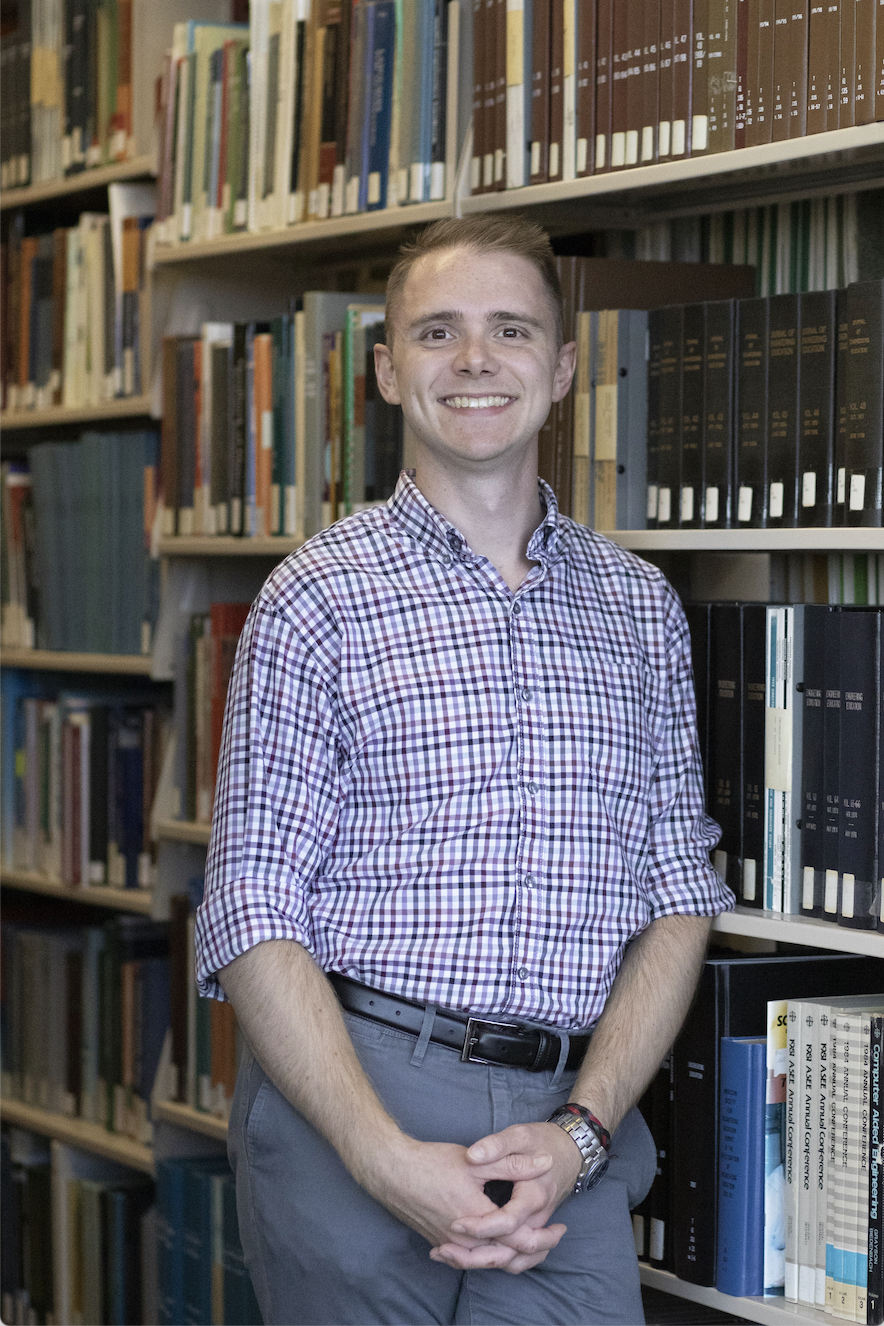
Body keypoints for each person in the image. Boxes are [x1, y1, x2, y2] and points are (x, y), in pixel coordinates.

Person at [195, 214, 734, 1326]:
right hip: (352, 1106)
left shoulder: (639, 611)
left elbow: (679, 899)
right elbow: (252, 907)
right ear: (389, 370)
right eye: (437, 332)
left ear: (563, 367)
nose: (475, 361)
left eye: (510, 330)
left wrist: (580, 1136)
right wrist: (382, 1157)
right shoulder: (315, 599)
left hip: (560, 1137)